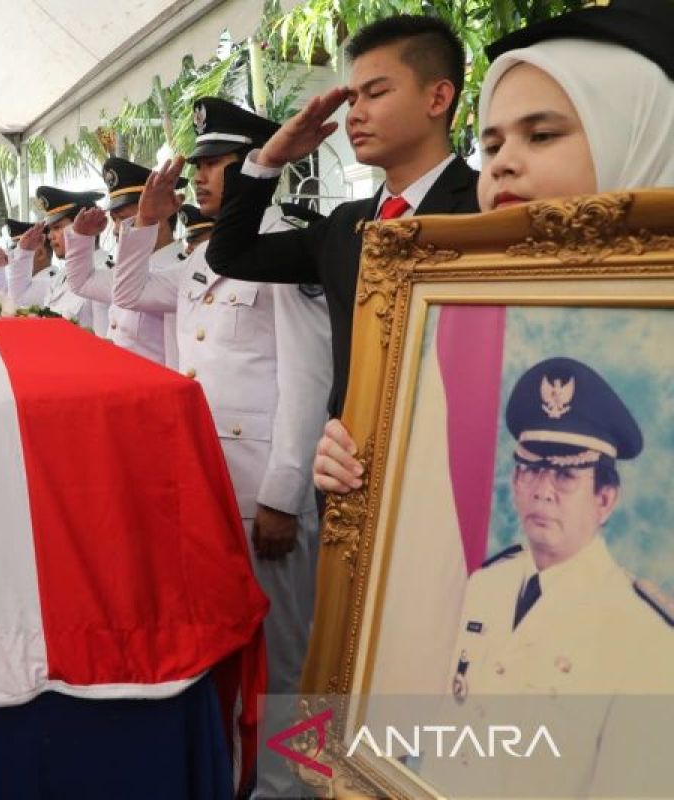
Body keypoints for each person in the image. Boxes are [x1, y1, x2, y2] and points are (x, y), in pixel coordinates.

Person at [315, 1, 674, 496]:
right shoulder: (462, 312)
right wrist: (361, 462)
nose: (502, 166)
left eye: (542, 135)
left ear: (639, 137)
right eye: (493, 146)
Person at [115, 97, 333, 799]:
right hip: (207, 489)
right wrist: (148, 224)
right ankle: (243, 782)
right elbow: (130, 291)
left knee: (286, 658)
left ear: (258, 165)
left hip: (261, 493)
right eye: (202, 164)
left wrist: (283, 493)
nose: (203, 176)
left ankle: (292, 788)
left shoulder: (288, 245)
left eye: (216, 163)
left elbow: (308, 377)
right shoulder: (209, 254)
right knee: (222, 652)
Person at [203, 15, 477, 425]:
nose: (355, 115)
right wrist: (269, 160)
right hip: (348, 464)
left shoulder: (486, 209)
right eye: (352, 101)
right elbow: (230, 256)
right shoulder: (344, 226)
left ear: (437, 99)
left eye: (376, 93)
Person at [422, 356, 674, 797]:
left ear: (606, 498)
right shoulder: (485, 586)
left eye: (565, 475)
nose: (542, 489)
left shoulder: (645, 638)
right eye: (532, 469)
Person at [63, 157, 185, 365]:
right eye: (116, 220)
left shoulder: (180, 271)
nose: (118, 229)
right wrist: (82, 237)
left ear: (159, 215)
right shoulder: (128, 272)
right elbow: (81, 282)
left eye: (128, 220)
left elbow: (177, 359)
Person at [4, 188, 108, 332]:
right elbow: (19, 296)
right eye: (51, 229)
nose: (50, 236)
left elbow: (104, 341)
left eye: (58, 227)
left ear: (83, 224)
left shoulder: (105, 271)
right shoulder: (62, 277)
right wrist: (24, 252)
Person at [0, 218, 52, 299]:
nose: (11, 256)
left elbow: (15, 301)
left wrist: (23, 255)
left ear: (41, 254)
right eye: (13, 250)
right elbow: (4, 303)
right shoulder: (25, 284)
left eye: (20, 249)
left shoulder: (49, 283)